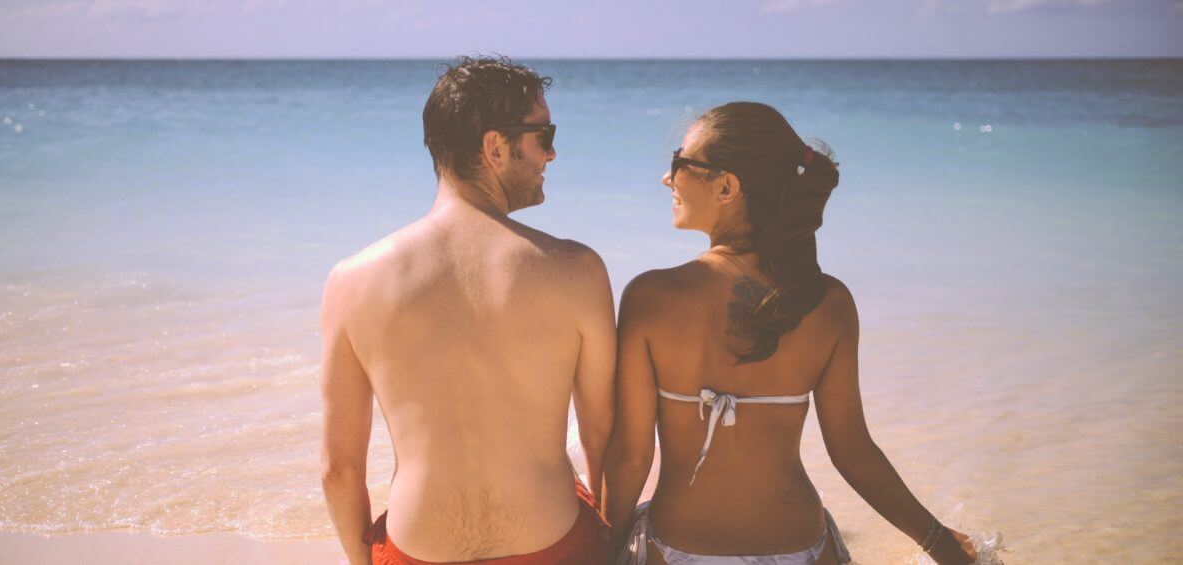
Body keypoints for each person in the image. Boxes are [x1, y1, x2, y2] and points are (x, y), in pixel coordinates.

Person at [602, 102, 983, 564]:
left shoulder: (652, 297)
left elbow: (629, 457)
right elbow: (853, 452)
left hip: (678, 548)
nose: (668, 179)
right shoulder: (828, 302)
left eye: (680, 164)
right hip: (802, 548)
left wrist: (602, 551)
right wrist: (937, 541)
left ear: (726, 186)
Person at [320, 56, 616, 565]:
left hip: (418, 552)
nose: (553, 153)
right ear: (495, 147)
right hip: (553, 547)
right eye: (544, 135)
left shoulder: (351, 280)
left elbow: (339, 470)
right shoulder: (576, 269)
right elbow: (601, 439)